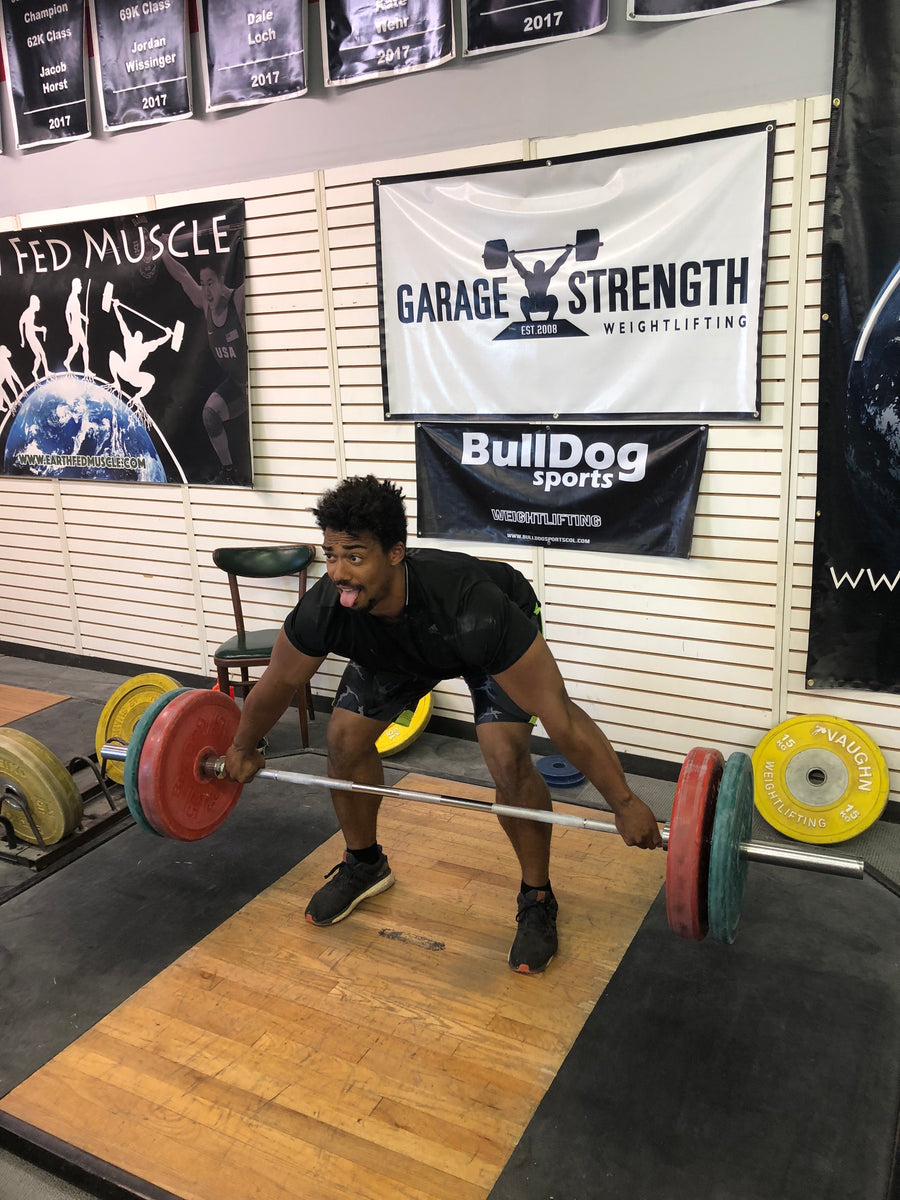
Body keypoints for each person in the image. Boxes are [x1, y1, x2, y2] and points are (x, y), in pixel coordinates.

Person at [223, 475, 662, 974]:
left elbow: (560, 713)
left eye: (355, 555)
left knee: (505, 756)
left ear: (395, 553)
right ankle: (365, 864)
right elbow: (277, 683)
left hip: (478, 641)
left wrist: (624, 803)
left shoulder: (473, 606)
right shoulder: (330, 605)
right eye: (330, 554)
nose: (339, 572)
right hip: (396, 648)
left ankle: (537, 896)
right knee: (343, 738)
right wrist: (242, 745)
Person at [162, 250, 249, 485]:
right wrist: (162, 248)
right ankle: (229, 471)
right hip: (237, 383)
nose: (206, 291)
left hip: (255, 384)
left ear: (222, 281)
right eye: (203, 284)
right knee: (209, 415)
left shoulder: (238, 301)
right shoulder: (204, 302)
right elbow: (181, 275)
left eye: (211, 283)